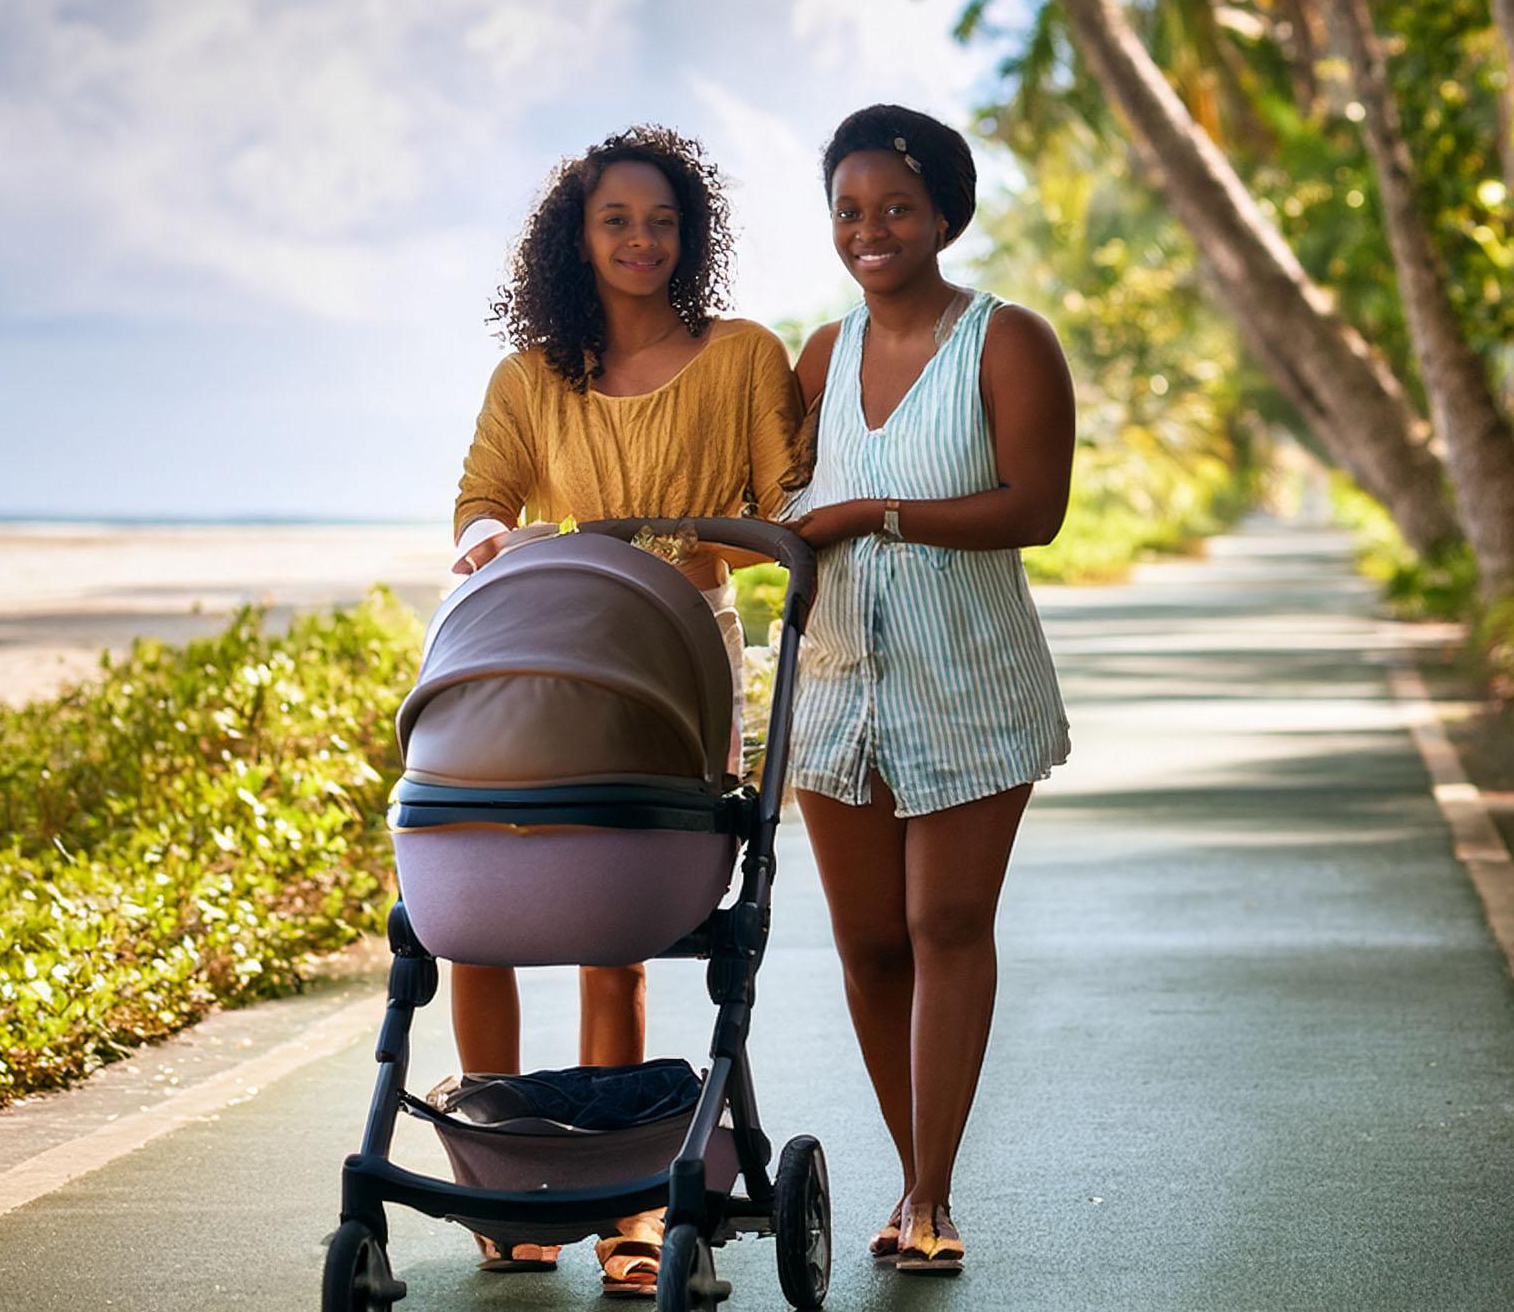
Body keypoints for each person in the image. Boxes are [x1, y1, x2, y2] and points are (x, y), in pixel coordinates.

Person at [449, 123, 805, 1294]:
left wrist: (671, 548)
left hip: (687, 649)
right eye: (617, 220)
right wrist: (491, 540)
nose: (641, 239)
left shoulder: (747, 354)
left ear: (688, 235)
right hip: (555, 640)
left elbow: (788, 507)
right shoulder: (530, 379)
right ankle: (500, 1191)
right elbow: (480, 501)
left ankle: (628, 1211)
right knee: (485, 893)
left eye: (662, 220)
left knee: (623, 913)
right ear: (578, 237)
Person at [784, 103, 1074, 1276]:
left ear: (944, 214)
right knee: (865, 946)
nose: (871, 230)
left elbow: (1036, 509)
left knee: (946, 925)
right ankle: (911, 1177)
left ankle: (929, 1195)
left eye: (895, 208)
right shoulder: (817, 355)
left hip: (971, 682)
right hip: (838, 685)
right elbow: (779, 509)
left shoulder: (1009, 340)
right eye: (849, 211)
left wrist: (875, 515)